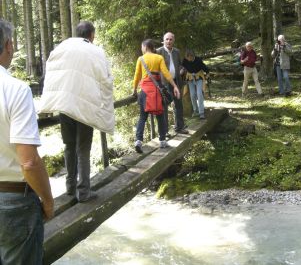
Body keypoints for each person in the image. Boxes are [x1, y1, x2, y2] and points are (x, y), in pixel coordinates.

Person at [39, 21, 115, 202]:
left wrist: (49, 100)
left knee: (69, 146)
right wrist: (105, 108)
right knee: (83, 149)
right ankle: (84, 191)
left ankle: (70, 188)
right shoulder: (96, 52)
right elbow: (106, 81)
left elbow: (51, 71)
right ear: (91, 35)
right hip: (85, 108)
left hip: (65, 106)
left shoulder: (63, 46)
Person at [0, 19, 54, 264]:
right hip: (14, 204)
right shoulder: (16, 90)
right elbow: (29, 162)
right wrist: (48, 201)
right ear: (8, 45)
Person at [133, 39, 180, 153]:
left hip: (145, 90)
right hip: (157, 89)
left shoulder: (141, 59)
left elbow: (137, 76)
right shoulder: (159, 58)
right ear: (153, 48)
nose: (141, 49)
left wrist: (134, 90)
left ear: (144, 47)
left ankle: (138, 141)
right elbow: (166, 73)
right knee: (160, 116)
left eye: (142, 47)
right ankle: (162, 141)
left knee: (142, 117)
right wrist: (174, 86)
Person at [156, 32, 189, 135]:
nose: (169, 41)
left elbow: (179, 65)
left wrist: (182, 69)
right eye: (167, 39)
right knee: (164, 107)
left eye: (170, 39)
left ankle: (179, 127)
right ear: (163, 40)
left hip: (176, 82)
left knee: (178, 105)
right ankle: (164, 131)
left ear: (173, 41)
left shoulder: (177, 52)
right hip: (164, 84)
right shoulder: (158, 52)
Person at [182, 49, 209, 119]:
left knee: (199, 94)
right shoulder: (185, 61)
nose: (189, 59)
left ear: (193, 56)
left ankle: (201, 112)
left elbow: (205, 68)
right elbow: (182, 67)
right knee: (193, 95)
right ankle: (195, 110)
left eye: (190, 57)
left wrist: (207, 74)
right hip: (190, 79)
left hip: (199, 78)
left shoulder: (198, 60)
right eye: (187, 58)